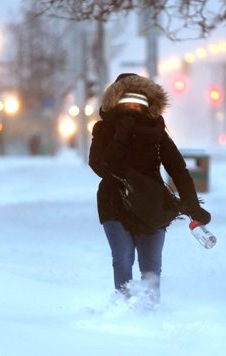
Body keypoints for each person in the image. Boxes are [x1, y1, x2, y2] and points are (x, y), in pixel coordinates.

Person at [88, 73, 211, 304]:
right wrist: (121, 134)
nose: (132, 108)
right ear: (115, 102)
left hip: (152, 205)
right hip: (114, 202)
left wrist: (193, 206)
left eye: (138, 102)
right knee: (123, 258)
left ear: (148, 103)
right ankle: (123, 310)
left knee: (151, 267)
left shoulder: (156, 133)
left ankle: (150, 315)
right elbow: (100, 165)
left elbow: (178, 170)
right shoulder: (104, 130)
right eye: (127, 102)